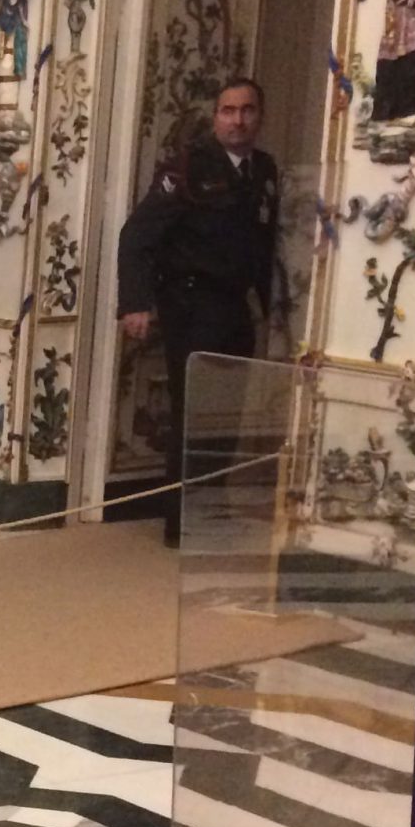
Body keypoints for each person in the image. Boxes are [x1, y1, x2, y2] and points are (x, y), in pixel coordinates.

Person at [115, 77, 282, 543]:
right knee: (194, 413)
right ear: (215, 118)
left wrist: (277, 311)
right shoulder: (188, 168)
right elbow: (137, 236)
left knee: (227, 415)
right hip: (192, 305)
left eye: (247, 110)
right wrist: (135, 304)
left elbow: (266, 246)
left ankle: (211, 510)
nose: (237, 120)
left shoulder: (265, 171)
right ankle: (181, 522)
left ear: (259, 117)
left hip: (236, 308)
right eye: (228, 111)